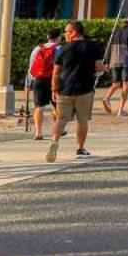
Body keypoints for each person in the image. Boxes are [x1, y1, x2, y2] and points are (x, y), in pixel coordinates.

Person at [46, 20, 101, 162]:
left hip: (64, 89)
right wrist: (103, 69)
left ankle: (54, 141)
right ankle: (80, 148)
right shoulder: (93, 46)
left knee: (61, 119)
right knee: (82, 120)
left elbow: (56, 72)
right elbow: (99, 67)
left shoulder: (62, 49)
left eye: (67, 32)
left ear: (74, 32)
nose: (65, 34)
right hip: (85, 89)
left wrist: (54, 88)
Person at [104, 17, 128, 116]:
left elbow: (108, 47)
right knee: (126, 85)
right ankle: (120, 110)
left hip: (113, 60)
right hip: (126, 61)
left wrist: (107, 61)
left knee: (115, 83)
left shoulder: (115, 32)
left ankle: (107, 98)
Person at [27, 33, 59, 137]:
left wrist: (28, 83)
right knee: (56, 106)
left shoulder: (37, 49)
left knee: (39, 106)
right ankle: (57, 129)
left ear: (47, 37)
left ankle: (38, 132)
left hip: (38, 79)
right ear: (58, 37)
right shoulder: (59, 48)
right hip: (53, 79)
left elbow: (31, 66)